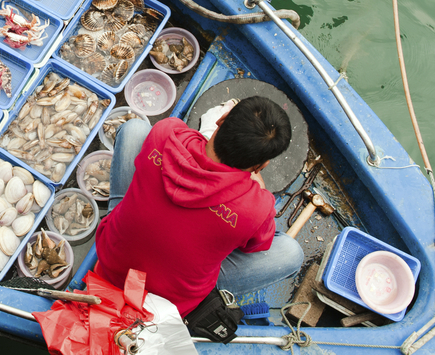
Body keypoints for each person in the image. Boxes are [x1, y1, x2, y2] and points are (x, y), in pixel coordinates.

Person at [93, 96, 303, 320]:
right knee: (291, 253)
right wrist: (255, 189)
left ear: (220, 121)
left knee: (134, 128)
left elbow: (193, 149)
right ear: (260, 165)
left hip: (111, 258)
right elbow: (256, 246)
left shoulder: (167, 132)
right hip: (164, 304)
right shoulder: (256, 208)